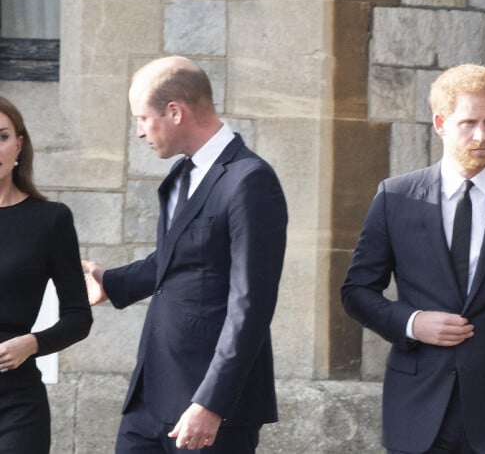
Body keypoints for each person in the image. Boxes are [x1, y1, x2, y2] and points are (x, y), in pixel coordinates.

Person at [341, 64, 485, 454]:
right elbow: (357, 291)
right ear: (440, 123)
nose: (482, 135)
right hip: (416, 407)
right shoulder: (395, 197)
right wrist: (412, 322)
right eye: (468, 123)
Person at [83, 56, 288, 453]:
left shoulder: (250, 181)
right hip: (150, 396)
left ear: (175, 111)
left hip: (210, 409)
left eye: (143, 119)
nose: (140, 132)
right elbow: (178, 258)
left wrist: (211, 402)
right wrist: (110, 281)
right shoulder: (181, 174)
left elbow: (252, 304)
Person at [0, 95, 92, 453]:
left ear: (19, 144)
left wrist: (31, 344)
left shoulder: (50, 220)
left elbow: (78, 317)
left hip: (17, 405)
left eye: (2, 136)